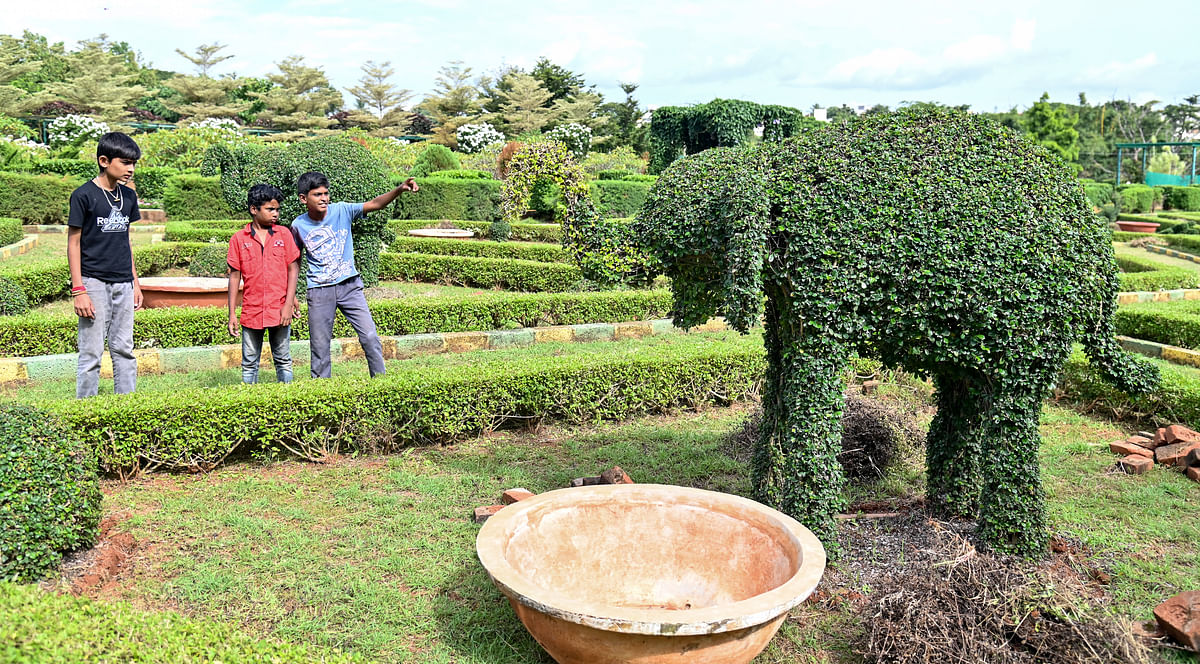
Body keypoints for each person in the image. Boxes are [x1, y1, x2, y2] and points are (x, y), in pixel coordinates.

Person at [290, 171, 418, 378]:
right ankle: (321, 391)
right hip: (319, 290)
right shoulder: (298, 225)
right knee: (320, 346)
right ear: (304, 198)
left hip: (350, 286)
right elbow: (294, 262)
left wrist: (399, 190)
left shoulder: (342, 210)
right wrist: (292, 294)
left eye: (326, 193)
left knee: (369, 336)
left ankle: (381, 381)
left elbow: (375, 204)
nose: (324, 198)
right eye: (317, 194)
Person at [68, 132, 143, 399]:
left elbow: (126, 240)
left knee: (124, 349)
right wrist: (79, 290)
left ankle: (127, 408)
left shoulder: (129, 197)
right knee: (91, 352)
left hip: (124, 281)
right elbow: (73, 243)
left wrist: (135, 282)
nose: (130, 168)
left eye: (133, 163)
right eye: (124, 162)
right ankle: (85, 411)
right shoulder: (83, 195)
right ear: (103, 160)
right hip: (93, 282)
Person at [227, 184, 301, 384]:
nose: (275, 213)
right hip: (251, 310)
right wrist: (232, 313)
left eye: (277, 209)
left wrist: (289, 303)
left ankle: (286, 400)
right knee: (249, 362)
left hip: (279, 307)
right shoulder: (238, 239)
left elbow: (293, 269)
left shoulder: (283, 234)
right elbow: (234, 277)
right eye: (270, 209)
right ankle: (248, 400)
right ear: (254, 209)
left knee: (283, 359)